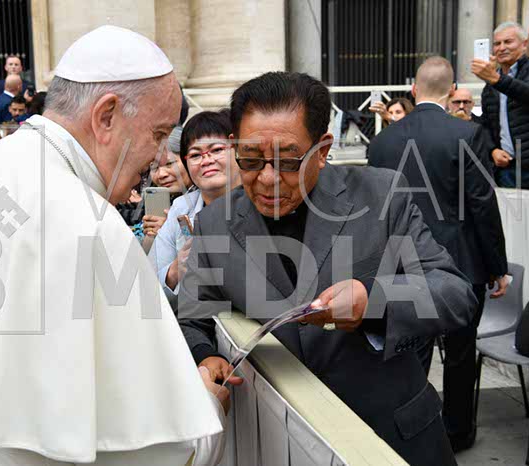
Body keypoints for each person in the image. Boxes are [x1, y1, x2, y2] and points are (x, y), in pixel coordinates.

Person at [0, 25, 228, 466]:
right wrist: (208, 408)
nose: (158, 157)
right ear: (107, 115)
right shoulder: (90, 223)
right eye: (157, 134)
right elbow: (156, 453)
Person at [178, 71, 478, 466]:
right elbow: (194, 314)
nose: (267, 178)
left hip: (391, 437)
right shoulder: (216, 223)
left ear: (322, 150)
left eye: (288, 161)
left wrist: (373, 301)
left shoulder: (382, 195)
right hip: (278, 444)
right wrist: (205, 355)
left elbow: (453, 292)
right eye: (250, 159)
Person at [368, 56, 509, 453]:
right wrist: (496, 265)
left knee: (411, 353)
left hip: (402, 261)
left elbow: (375, 209)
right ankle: (458, 432)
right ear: (452, 91)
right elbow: (482, 203)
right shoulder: (467, 134)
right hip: (461, 262)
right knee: (460, 354)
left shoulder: (382, 143)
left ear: (414, 90)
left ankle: (409, 432)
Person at [149, 110, 241, 310]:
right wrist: (176, 271)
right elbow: (147, 287)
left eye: (216, 150)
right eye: (195, 155)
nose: (206, 160)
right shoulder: (181, 208)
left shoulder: (262, 202)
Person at [473, 21, 529, 188]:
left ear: (524, 44)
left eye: (508, 42)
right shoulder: (491, 84)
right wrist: (492, 150)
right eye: (497, 44)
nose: (501, 48)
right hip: (506, 169)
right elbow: (486, 124)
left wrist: (496, 79)